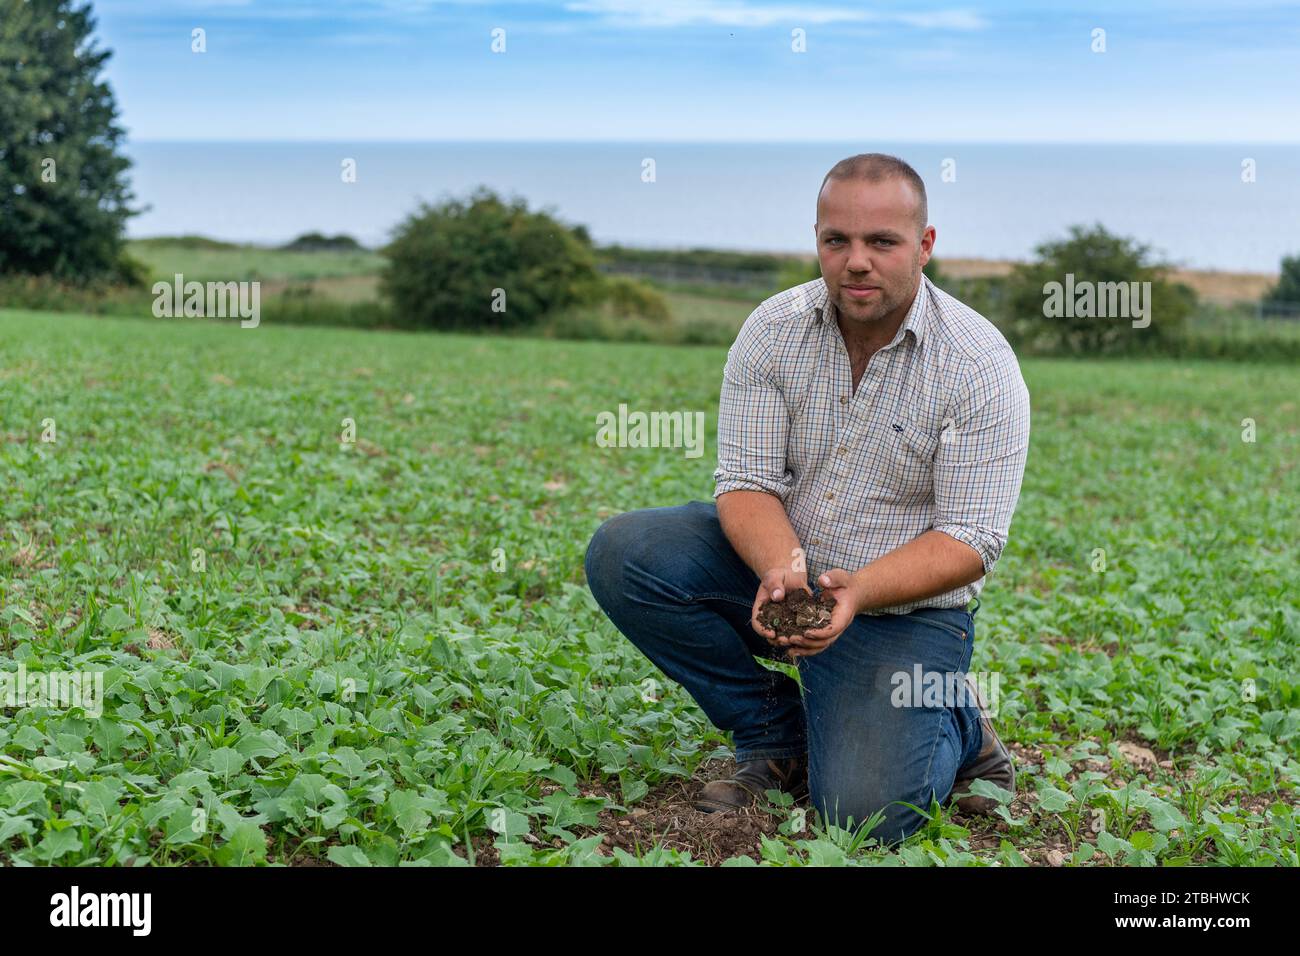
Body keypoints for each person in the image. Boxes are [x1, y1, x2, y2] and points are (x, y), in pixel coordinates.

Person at [583, 153, 1031, 846]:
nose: (856, 261)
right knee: (628, 554)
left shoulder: (978, 364)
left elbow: (971, 540)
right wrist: (781, 568)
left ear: (925, 245)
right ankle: (772, 729)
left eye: (882, 242)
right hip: (786, 567)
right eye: (837, 241)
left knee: (865, 819)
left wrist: (857, 594)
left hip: (901, 611)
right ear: (817, 240)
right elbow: (747, 481)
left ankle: (960, 722)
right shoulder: (774, 328)